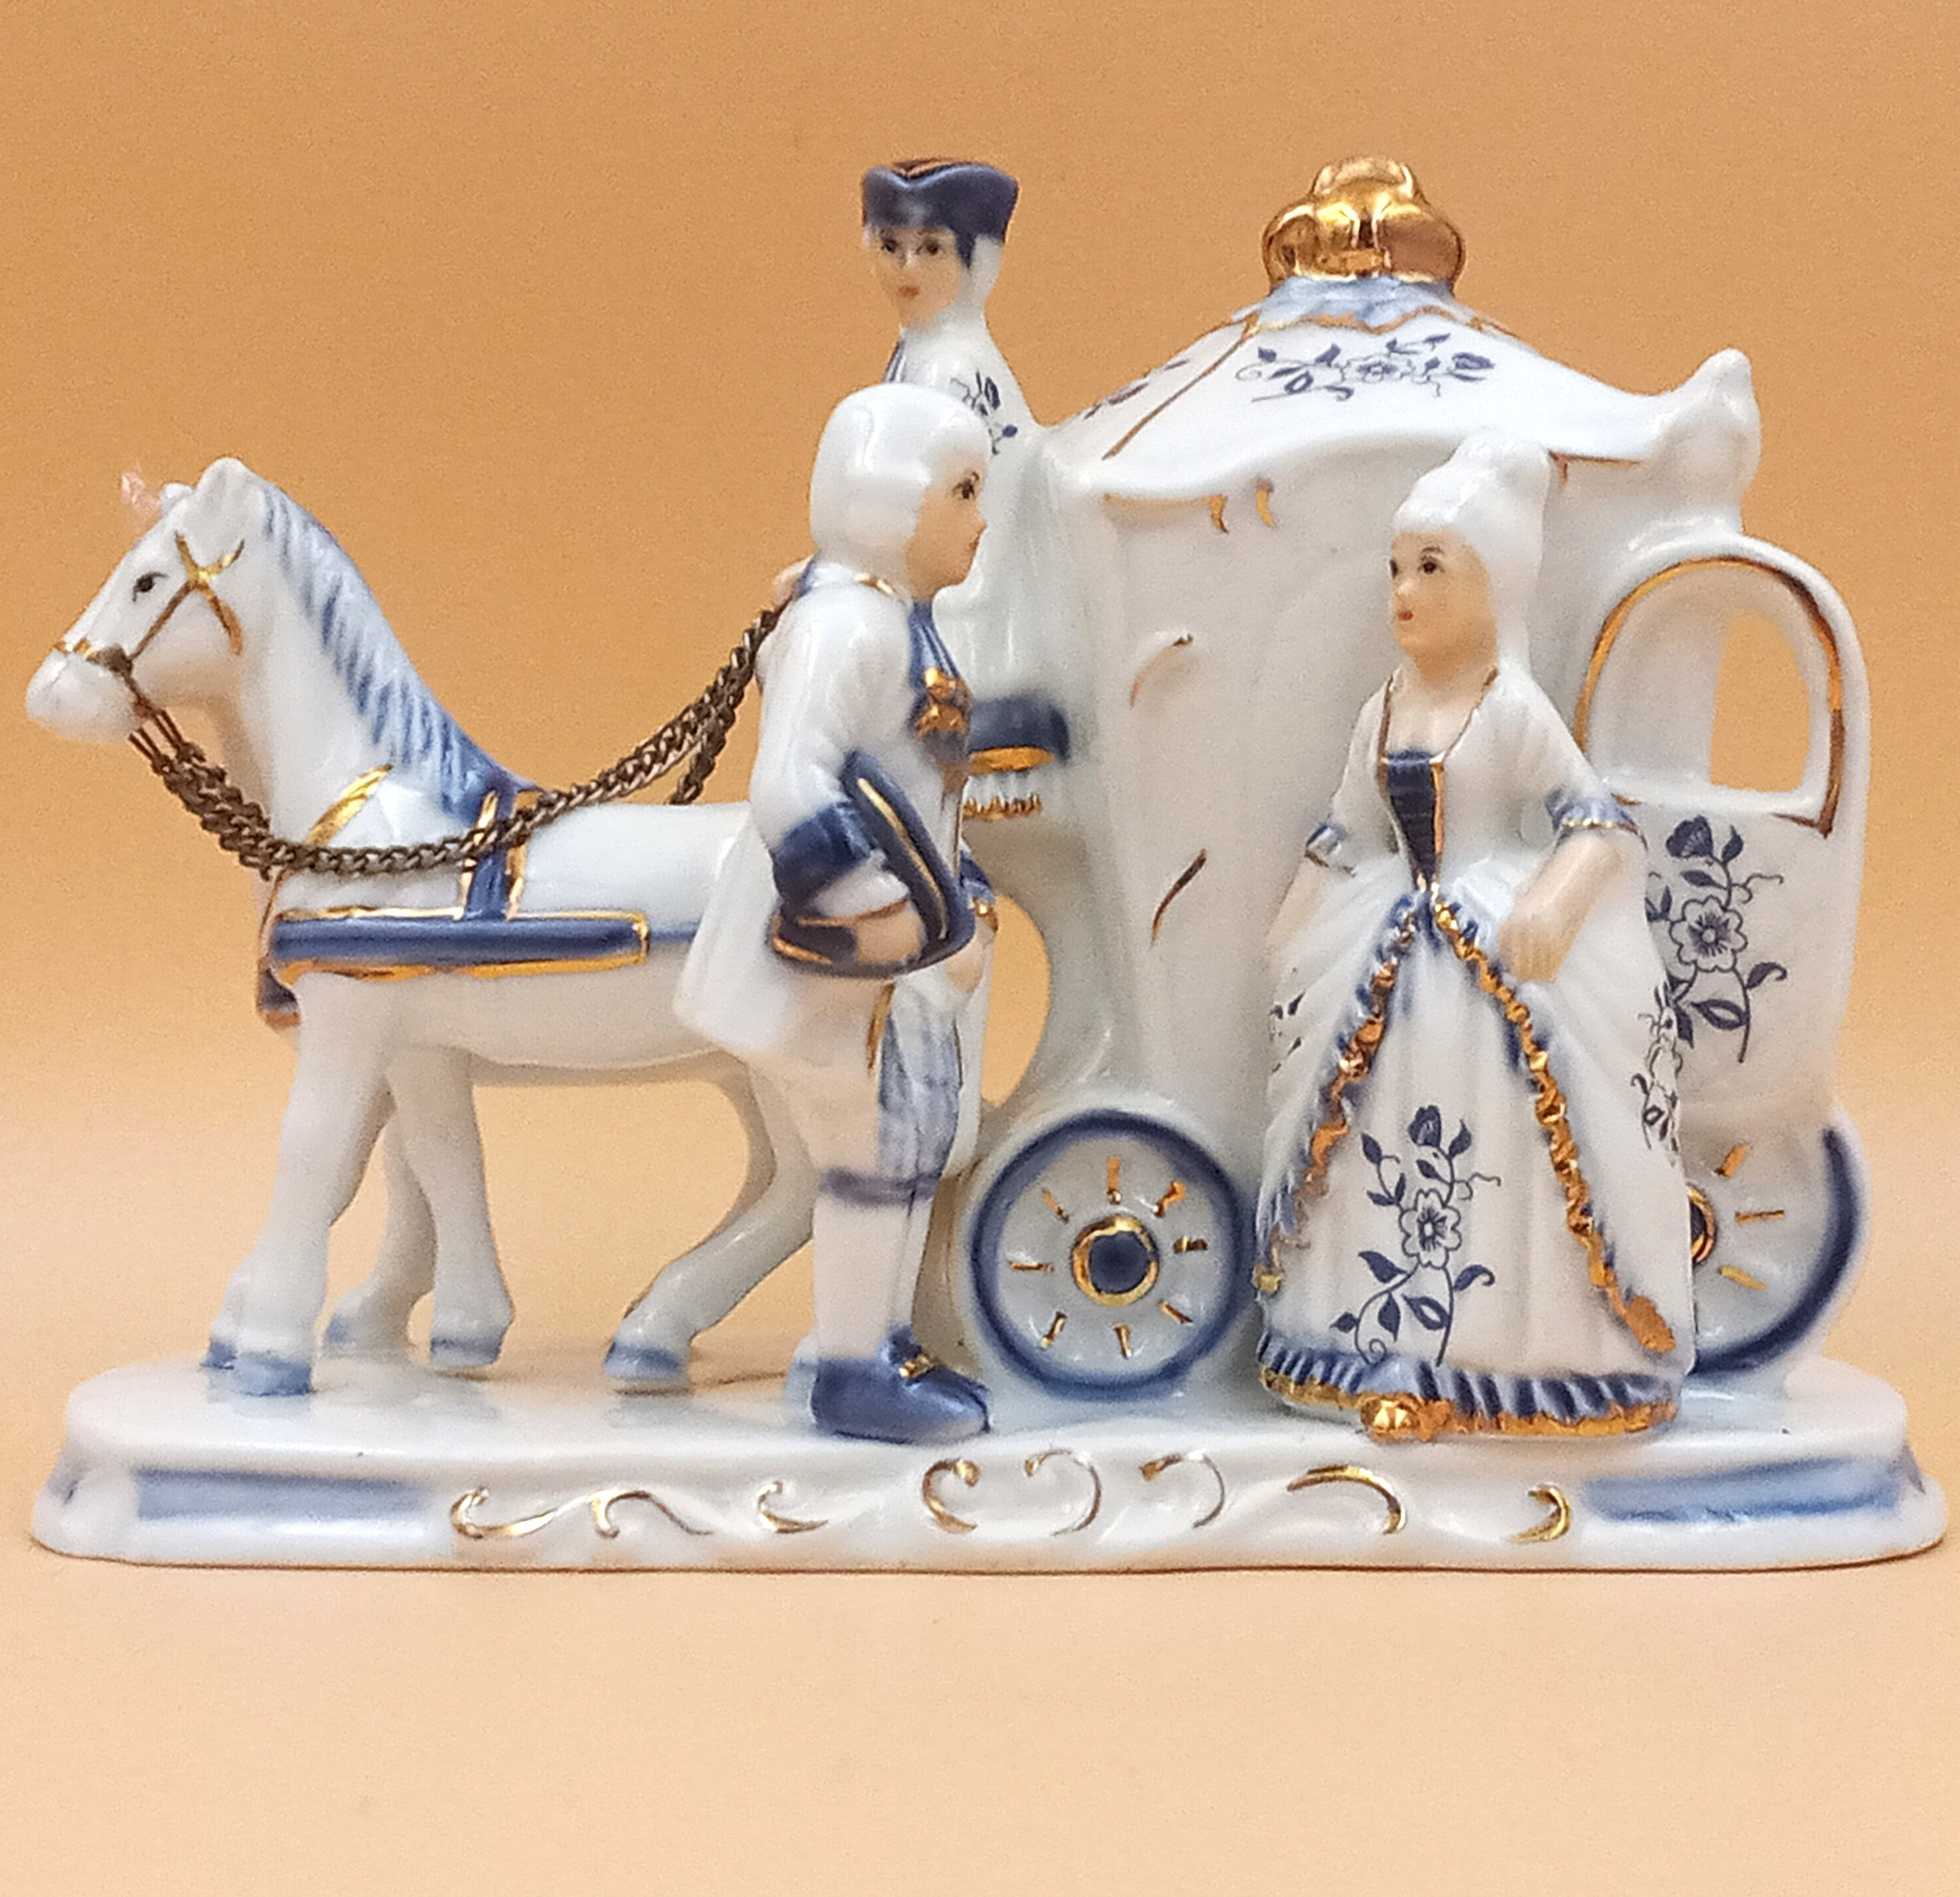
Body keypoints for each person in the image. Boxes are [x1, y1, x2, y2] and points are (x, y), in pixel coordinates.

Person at [1256, 434, 1694, 1442]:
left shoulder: (1508, 709)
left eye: (1431, 569)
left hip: (1484, 953)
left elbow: (1596, 825)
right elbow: (1344, 828)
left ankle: (1510, 1355)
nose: (1403, 592)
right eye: (1395, 569)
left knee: (1509, 1141)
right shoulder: (1384, 709)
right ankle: (1366, 1345)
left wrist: (1552, 904)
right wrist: (1293, 918)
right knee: (1366, 1143)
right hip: (1387, 953)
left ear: (1493, 587)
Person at [677, 384, 997, 1444]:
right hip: (842, 962)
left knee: (906, 1145)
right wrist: (870, 904)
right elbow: (789, 783)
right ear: (889, 498)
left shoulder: (893, 620)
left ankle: (879, 1345)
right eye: (962, 491)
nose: (980, 519)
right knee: (868, 1152)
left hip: (905, 960)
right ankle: (855, 1371)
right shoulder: (846, 626)